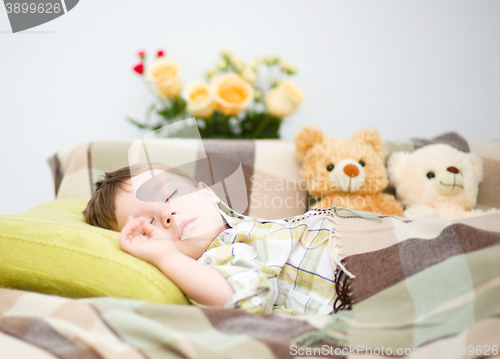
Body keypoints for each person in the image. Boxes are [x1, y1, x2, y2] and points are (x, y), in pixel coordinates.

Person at [83, 163, 360, 315]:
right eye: (149, 225)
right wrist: (165, 256)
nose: (168, 213)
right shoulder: (215, 258)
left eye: (170, 195)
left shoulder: (247, 230)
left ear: (208, 194)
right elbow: (246, 298)